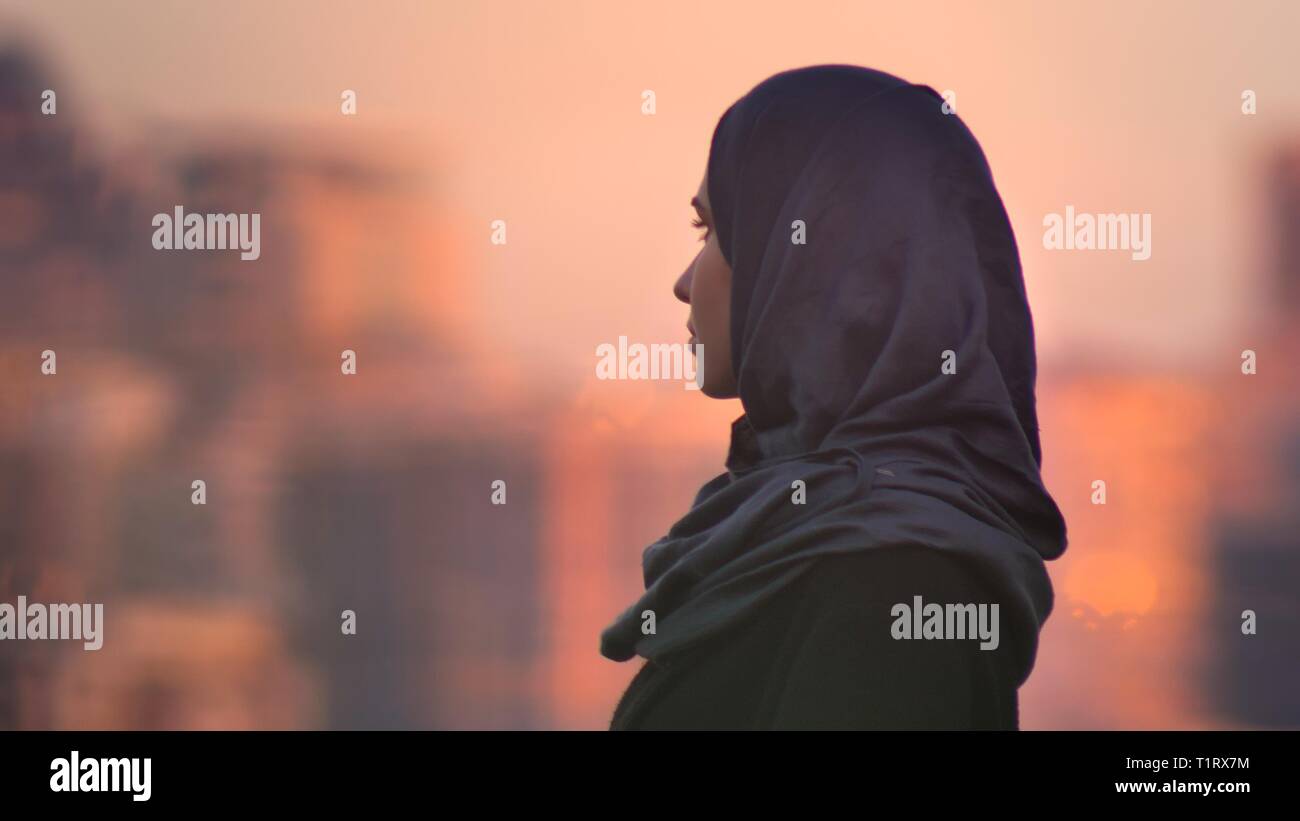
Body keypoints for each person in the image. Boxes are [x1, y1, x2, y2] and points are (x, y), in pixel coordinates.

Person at [599, 64, 1069, 730]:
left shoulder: (895, 583)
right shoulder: (809, 530)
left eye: (710, 232)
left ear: (813, 259)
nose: (682, 282)